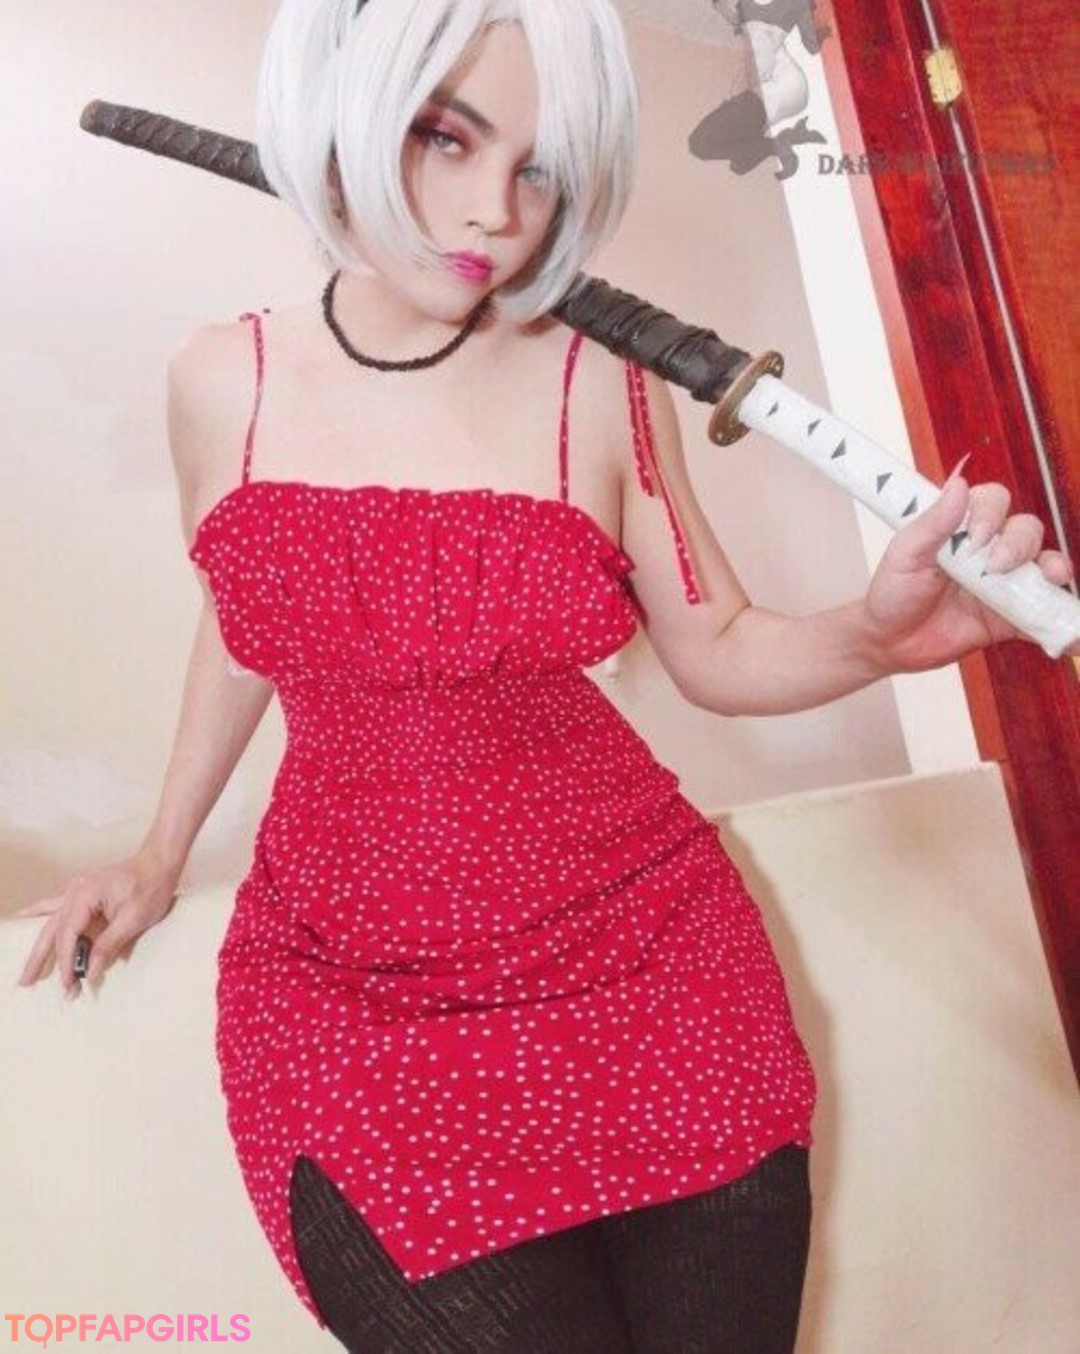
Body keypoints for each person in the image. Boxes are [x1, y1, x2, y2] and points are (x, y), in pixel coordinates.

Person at [12, 1, 1075, 1350]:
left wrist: (877, 632)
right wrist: (160, 851)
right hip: (358, 1008)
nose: (495, 214)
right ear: (344, 117)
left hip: (652, 977)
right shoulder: (223, 379)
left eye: (541, 169)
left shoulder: (599, 381)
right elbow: (248, 613)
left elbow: (716, 646)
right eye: (445, 137)